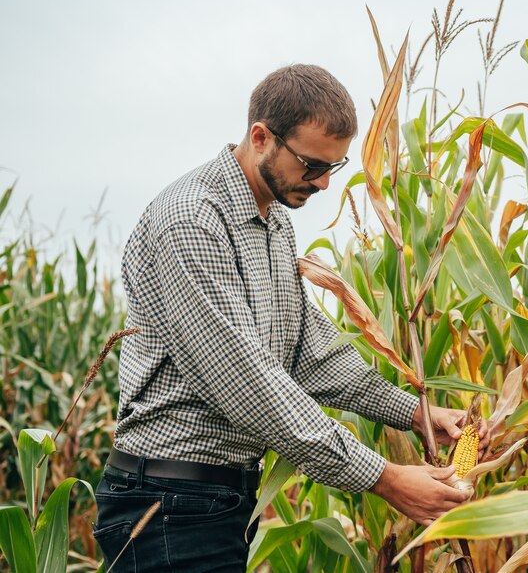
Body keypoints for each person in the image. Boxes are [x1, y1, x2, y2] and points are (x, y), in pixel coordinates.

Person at [91, 64, 488, 572]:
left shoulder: (274, 220)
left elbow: (308, 352)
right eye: (311, 165)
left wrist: (415, 414)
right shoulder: (192, 222)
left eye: (334, 168)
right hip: (169, 503)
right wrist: (384, 477)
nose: (322, 183)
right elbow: (247, 381)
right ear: (260, 137)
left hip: (218, 500)